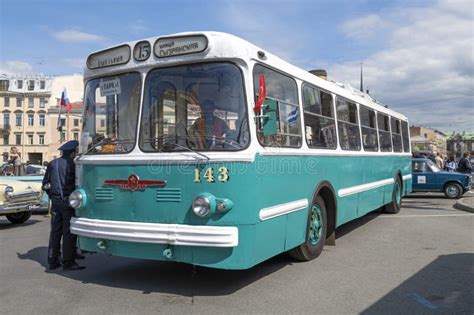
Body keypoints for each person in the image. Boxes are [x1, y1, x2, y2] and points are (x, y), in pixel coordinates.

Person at [43, 140, 85, 271]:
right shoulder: (74, 165)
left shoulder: (52, 164)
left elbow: (45, 184)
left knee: (55, 231)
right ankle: (68, 262)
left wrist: (53, 196)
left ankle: (53, 261)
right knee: (69, 232)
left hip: (56, 202)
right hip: (68, 202)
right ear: (72, 153)